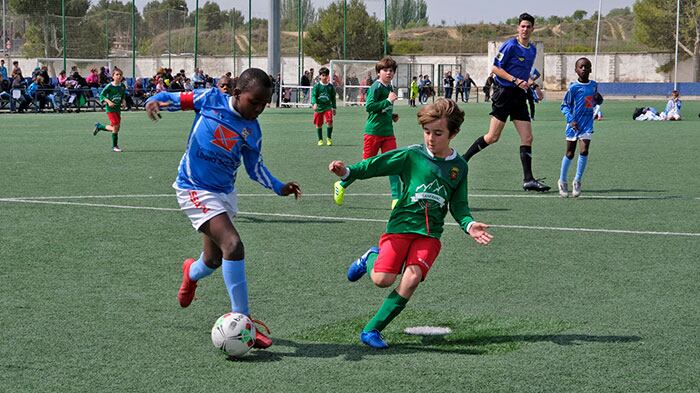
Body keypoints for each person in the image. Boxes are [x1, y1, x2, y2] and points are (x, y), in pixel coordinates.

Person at [144, 68, 302, 350]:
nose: (259, 109)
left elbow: (255, 169)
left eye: (265, 104)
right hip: (193, 187)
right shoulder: (210, 99)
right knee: (234, 245)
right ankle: (245, 321)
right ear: (237, 93)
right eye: (254, 102)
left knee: (214, 259)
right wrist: (155, 100)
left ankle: (191, 273)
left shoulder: (252, 131)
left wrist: (279, 186)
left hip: (224, 194)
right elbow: (175, 98)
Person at [329, 98, 493, 349]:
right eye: (427, 132)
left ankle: (372, 330)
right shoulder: (411, 155)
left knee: (412, 278)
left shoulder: (459, 167)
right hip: (400, 228)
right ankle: (369, 257)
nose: (430, 138)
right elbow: (376, 165)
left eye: (438, 133)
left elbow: (459, 206)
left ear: (454, 133)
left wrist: (469, 225)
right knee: (382, 279)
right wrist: (347, 172)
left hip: (429, 235)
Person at [462, 13, 550, 192]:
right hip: (504, 94)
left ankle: (528, 180)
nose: (525, 29)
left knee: (527, 137)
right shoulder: (510, 45)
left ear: (533, 29)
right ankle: (463, 160)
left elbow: (525, 73)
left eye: (528, 26)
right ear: (518, 28)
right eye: (522, 26)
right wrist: (515, 79)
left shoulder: (532, 50)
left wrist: (534, 86)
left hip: (519, 95)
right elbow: (495, 68)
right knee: (493, 137)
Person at [333, 56, 401, 208]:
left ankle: (397, 199)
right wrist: (388, 102)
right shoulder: (376, 87)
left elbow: (383, 108)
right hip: (373, 133)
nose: (388, 73)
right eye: (385, 70)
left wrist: (391, 115)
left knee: (394, 164)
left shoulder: (389, 87)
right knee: (365, 167)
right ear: (378, 72)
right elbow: (369, 107)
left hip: (388, 133)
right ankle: (342, 184)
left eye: (391, 70)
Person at [558, 57, 601, 198]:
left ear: (591, 69)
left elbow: (591, 103)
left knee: (584, 150)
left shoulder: (594, 85)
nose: (584, 69)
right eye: (581, 67)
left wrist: (598, 100)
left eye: (586, 67)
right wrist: (571, 120)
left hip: (587, 123)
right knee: (570, 153)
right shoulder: (573, 88)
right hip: (574, 124)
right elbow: (564, 106)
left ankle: (577, 180)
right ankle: (562, 180)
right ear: (576, 70)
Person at [93, 67, 127, 152]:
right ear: (113, 76)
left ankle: (99, 127)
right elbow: (102, 95)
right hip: (110, 109)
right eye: (117, 74)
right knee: (115, 128)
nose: (119, 76)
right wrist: (108, 102)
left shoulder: (122, 86)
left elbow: (123, 95)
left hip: (117, 109)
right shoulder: (109, 86)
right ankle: (114, 146)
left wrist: (123, 101)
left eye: (120, 75)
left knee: (116, 128)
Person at [310, 67, 337, 146]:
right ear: (320, 76)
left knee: (329, 122)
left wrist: (334, 107)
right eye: (323, 75)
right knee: (319, 124)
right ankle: (320, 139)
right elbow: (314, 96)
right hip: (319, 107)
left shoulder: (330, 87)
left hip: (327, 107)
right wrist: (314, 103)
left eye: (326, 75)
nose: (325, 77)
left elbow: (333, 97)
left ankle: (329, 138)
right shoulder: (317, 86)